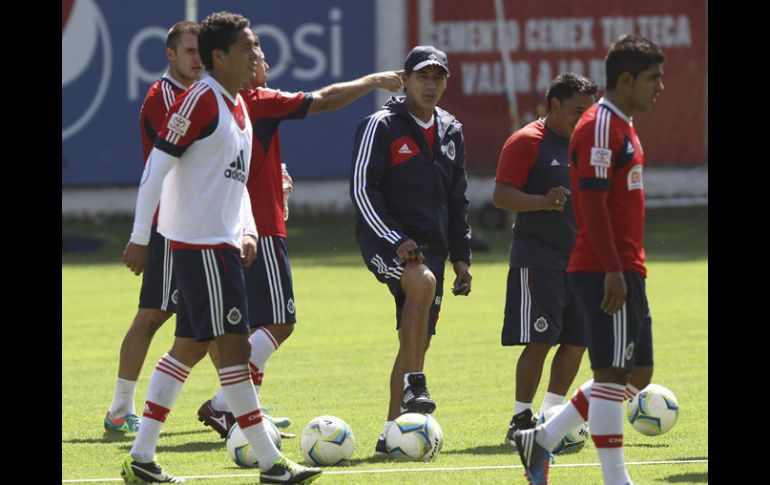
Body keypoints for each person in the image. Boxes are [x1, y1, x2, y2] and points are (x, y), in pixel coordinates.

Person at [120, 12, 321, 484]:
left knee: (186, 349)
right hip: (202, 249)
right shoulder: (201, 101)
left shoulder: (236, 107)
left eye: (255, 46)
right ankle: (271, 464)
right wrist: (138, 237)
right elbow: (156, 170)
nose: (256, 54)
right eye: (247, 47)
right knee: (232, 352)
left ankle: (142, 457)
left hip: (224, 246)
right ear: (219, 56)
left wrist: (248, 228)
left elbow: (239, 183)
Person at [195, 38, 403, 440]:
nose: (264, 62)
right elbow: (324, 99)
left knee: (249, 324)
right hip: (260, 229)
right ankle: (225, 404)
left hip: (230, 225)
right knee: (280, 322)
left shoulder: (226, 104)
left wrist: (275, 179)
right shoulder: (255, 100)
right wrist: (374, 80)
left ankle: (242, 412)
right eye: (256, 55)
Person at [513, 34, 665, 485]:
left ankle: (542, 438)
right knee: (612, 374)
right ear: (626, 78)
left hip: (626, 266)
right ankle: (616, 480)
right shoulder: (600, 125)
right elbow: (593, 204)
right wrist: (612, 268)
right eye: (653, 79)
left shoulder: (623, 122)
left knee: (637, 373)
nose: (660, 88)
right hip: (605, 268)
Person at [349, 45, 473, 454]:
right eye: (423, 77)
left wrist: (462, 256)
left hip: (432, 248)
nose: (431, 84)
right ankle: (416, 385)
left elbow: (458, 199)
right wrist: (393, 238)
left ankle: (390, 434)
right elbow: (362, 191)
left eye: (439, 77)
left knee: (418, 339)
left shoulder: (452, 128)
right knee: (420, 282)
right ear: (405, 81)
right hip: (386, 239)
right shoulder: (380, 125)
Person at [104, 20, 204, 434]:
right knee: (151, 316)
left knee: (218, 319)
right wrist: (141, 236)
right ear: (170, 55)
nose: (198, 59)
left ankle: (234, 405)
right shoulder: (165, 98)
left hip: (198, 224)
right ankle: (118, 409)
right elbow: (182, 161)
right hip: (172, 227)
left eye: (202, 51)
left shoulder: (198, 94)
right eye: (190, 52)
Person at [493, 73, 597, 445]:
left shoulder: (589, 144)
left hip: (583, 262)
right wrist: (541, 202)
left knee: (577, 340)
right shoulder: (526, 141)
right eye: (577, 111)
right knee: (540, 339)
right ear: (553, 105)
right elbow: (501, 195)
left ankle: (552, 415)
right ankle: (520, 418)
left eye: (590, 112)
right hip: (539, 258)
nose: (584, 119)